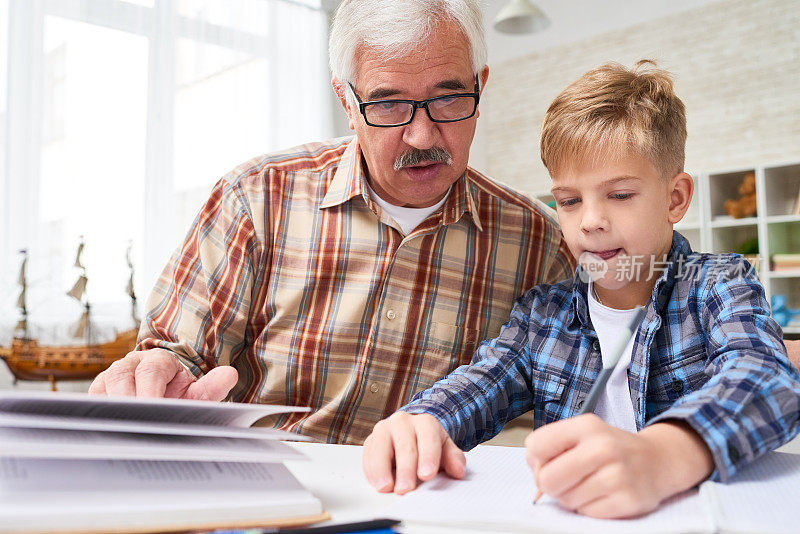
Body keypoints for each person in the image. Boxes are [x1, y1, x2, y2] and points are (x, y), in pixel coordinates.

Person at [87, 0, 575, 443]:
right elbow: (180, 354)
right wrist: (156, 371)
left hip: (427, 499)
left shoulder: (538, 241)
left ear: (479, 85)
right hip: (272, 490)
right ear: (346, 100)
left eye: (449, 98)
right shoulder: (257, 199)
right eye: (388, 104)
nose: (422, 135)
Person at [361, 61, 800, 519]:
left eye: (620, 195)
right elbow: (480, 383)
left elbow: (767, 379)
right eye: (570, 201)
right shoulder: (542, 316)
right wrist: (421, 422)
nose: (591, 220)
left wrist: (663, 455)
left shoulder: (720, 284)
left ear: (675, 199)